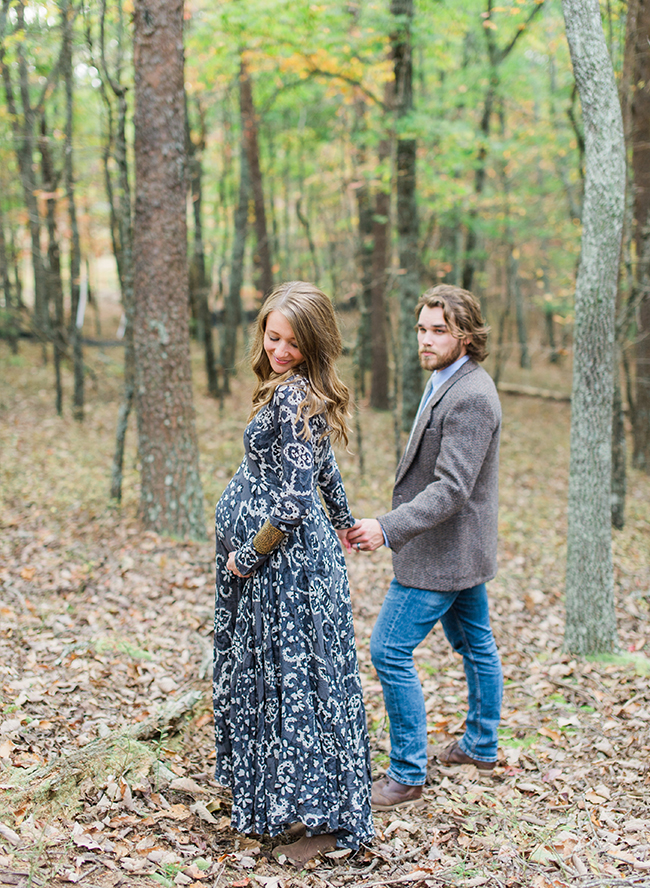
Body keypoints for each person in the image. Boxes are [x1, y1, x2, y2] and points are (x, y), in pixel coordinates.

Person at [212, 281, 374, 863]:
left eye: (292, 342)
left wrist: (248, 555)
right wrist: (348, 520)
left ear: (314, 343)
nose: (278, 349)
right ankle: (306, 809)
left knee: (298, 687)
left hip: (286, 571)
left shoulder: (293, 397)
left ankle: (317, 822)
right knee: (303, 684)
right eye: (272, 336)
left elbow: (291, 503)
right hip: (297, 567)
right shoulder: (298, 393)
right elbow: (323, 467)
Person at [348, 283, 503, 810]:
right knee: (475, 645)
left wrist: (388, 527)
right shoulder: (446, 380)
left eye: (439, 330)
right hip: (456, 549)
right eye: (422, 328)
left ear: (466, 335)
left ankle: (407, 773)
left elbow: (452, 487)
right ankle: (481, 745)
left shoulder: (473, 396)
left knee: (388, 650)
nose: (426, 339)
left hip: (444, 552)